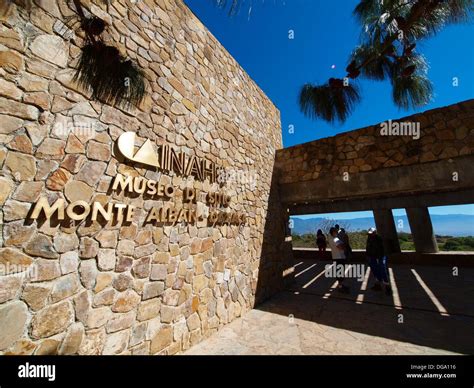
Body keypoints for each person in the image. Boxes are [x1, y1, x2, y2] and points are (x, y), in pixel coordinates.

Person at [366, 228, 392, 295]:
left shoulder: (379, 239)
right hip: (372, 257)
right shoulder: (369, 238)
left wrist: (378, 256)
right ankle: (378, 285)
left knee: (382, 270)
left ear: (375, 232)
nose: (370, 234)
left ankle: (387, 287)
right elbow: (368, 248)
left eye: (372, 233)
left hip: (380, 256)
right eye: (370, 233)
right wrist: (368, 255)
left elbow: (381, 249)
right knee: (375, 270)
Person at [327, 227, 349, 293]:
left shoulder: (330, 238)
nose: (337, 233)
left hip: (335, 257)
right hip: (340, 257)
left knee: (338, 272)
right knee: (340, 272)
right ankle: (340, 287)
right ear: (333, 232)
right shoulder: (335, 239)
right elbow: (340, 247)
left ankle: (341, 285)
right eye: (336, 231)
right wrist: (343, 246)